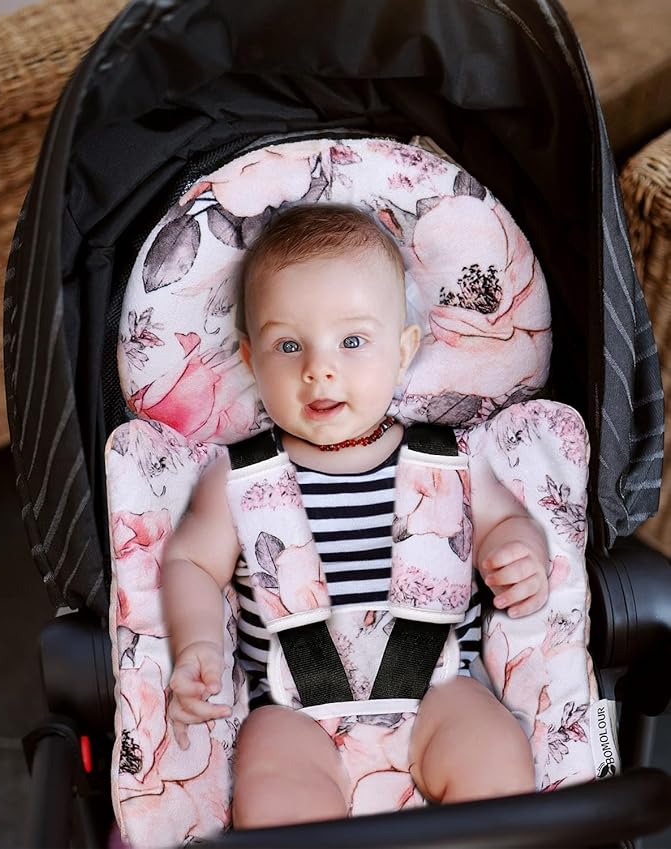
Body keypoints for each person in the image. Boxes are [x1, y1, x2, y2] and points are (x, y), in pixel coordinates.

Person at [162, 204, 549, 828]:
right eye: (289, 345)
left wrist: (515, 551)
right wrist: (199, 643)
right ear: (250, 358)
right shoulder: (236, 476)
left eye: (352, 341)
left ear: (402, 351)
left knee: (496, 762)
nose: (319, 368)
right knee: (273, 795)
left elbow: (507, 522)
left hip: (438, 691)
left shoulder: (449, 460)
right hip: (294, 710)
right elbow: (190, 565)